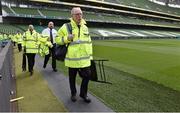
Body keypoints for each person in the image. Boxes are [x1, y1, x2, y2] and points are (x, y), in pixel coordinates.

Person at [56, 7, 93, 103]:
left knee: (88, 76)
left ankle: (83, 94)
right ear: (72, 16)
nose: (79, 16)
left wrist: (90, 57)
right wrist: (66, 38)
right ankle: (73, 93)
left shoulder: (85, 27)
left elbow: (89, 43)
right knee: (72, 78)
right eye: (77, 14)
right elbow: (57, 39)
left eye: (80, 14)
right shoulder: (66, 26)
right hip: (72, 60)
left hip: (85, 60)